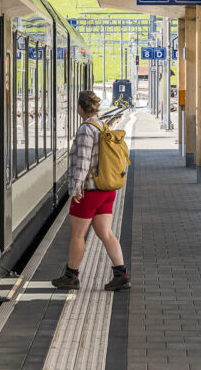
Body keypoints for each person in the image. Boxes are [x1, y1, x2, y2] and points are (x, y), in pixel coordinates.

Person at [51, 90, 129, 291]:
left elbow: (83, 162)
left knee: (78, 235)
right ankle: (121, 274)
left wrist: (76, 187)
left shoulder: (86, 129)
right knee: (106, 233)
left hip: (89, 192)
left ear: (79, 108)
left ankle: (71, 275)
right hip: (106, 190)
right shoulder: (102, 125)